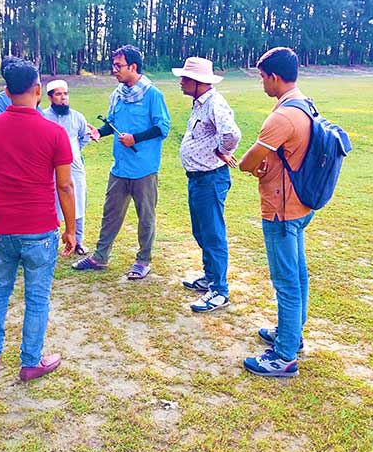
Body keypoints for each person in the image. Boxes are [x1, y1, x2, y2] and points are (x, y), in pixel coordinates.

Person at [0, 60, 77, 382]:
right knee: (36, 297)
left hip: (4, 225)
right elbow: (65, 184)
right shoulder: (54, 132)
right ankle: (30, 361)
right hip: (40, 228)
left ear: (6, 92)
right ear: (37, 90)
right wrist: (71, 229)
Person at [238, 47, 313, 378]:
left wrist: (244, 165)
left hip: (282, 210)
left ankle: (283, 357)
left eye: (262, 77)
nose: (261, 83)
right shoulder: (304, 104)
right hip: (300, 204)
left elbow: (250, 160)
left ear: (275, 77)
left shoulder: (281, 117)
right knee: (297, 275)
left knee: (286, 282)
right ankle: (291, 335)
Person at [72, 44, 170, 280]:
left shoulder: (152, 94)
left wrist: (135, 138)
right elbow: (112, 123)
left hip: (144, 168)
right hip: (120, 168)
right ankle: (100, 257)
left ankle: (143, 260)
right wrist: (100, 132)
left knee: (145, 217)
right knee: (110, 213)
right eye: (113, 65)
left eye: (118, 66)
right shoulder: (117, 94)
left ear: (133, 67)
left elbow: (162, 128)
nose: (114, 70)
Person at [173, 57, 241, 313]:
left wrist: (222, 151)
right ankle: (210, 278)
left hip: (211, 179)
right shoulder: (199, 102)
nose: (181, 82)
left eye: (185, 78)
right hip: (198, 179)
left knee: (212, 234)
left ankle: (219, 290)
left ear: (198, 82)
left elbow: (232, 133)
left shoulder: (214, 103)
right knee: (201, 232)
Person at [42, 79, 93, 255]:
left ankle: (78, 241)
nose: (63, 98)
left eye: (65, 94)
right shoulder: (42, 117)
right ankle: (50, 240)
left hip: (74, 166)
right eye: (58, 94)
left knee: (77, 202)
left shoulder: (77, 117)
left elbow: (84, 137)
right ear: (50, 97)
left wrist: (73, 152)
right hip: (49, 168)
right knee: (50, 204)